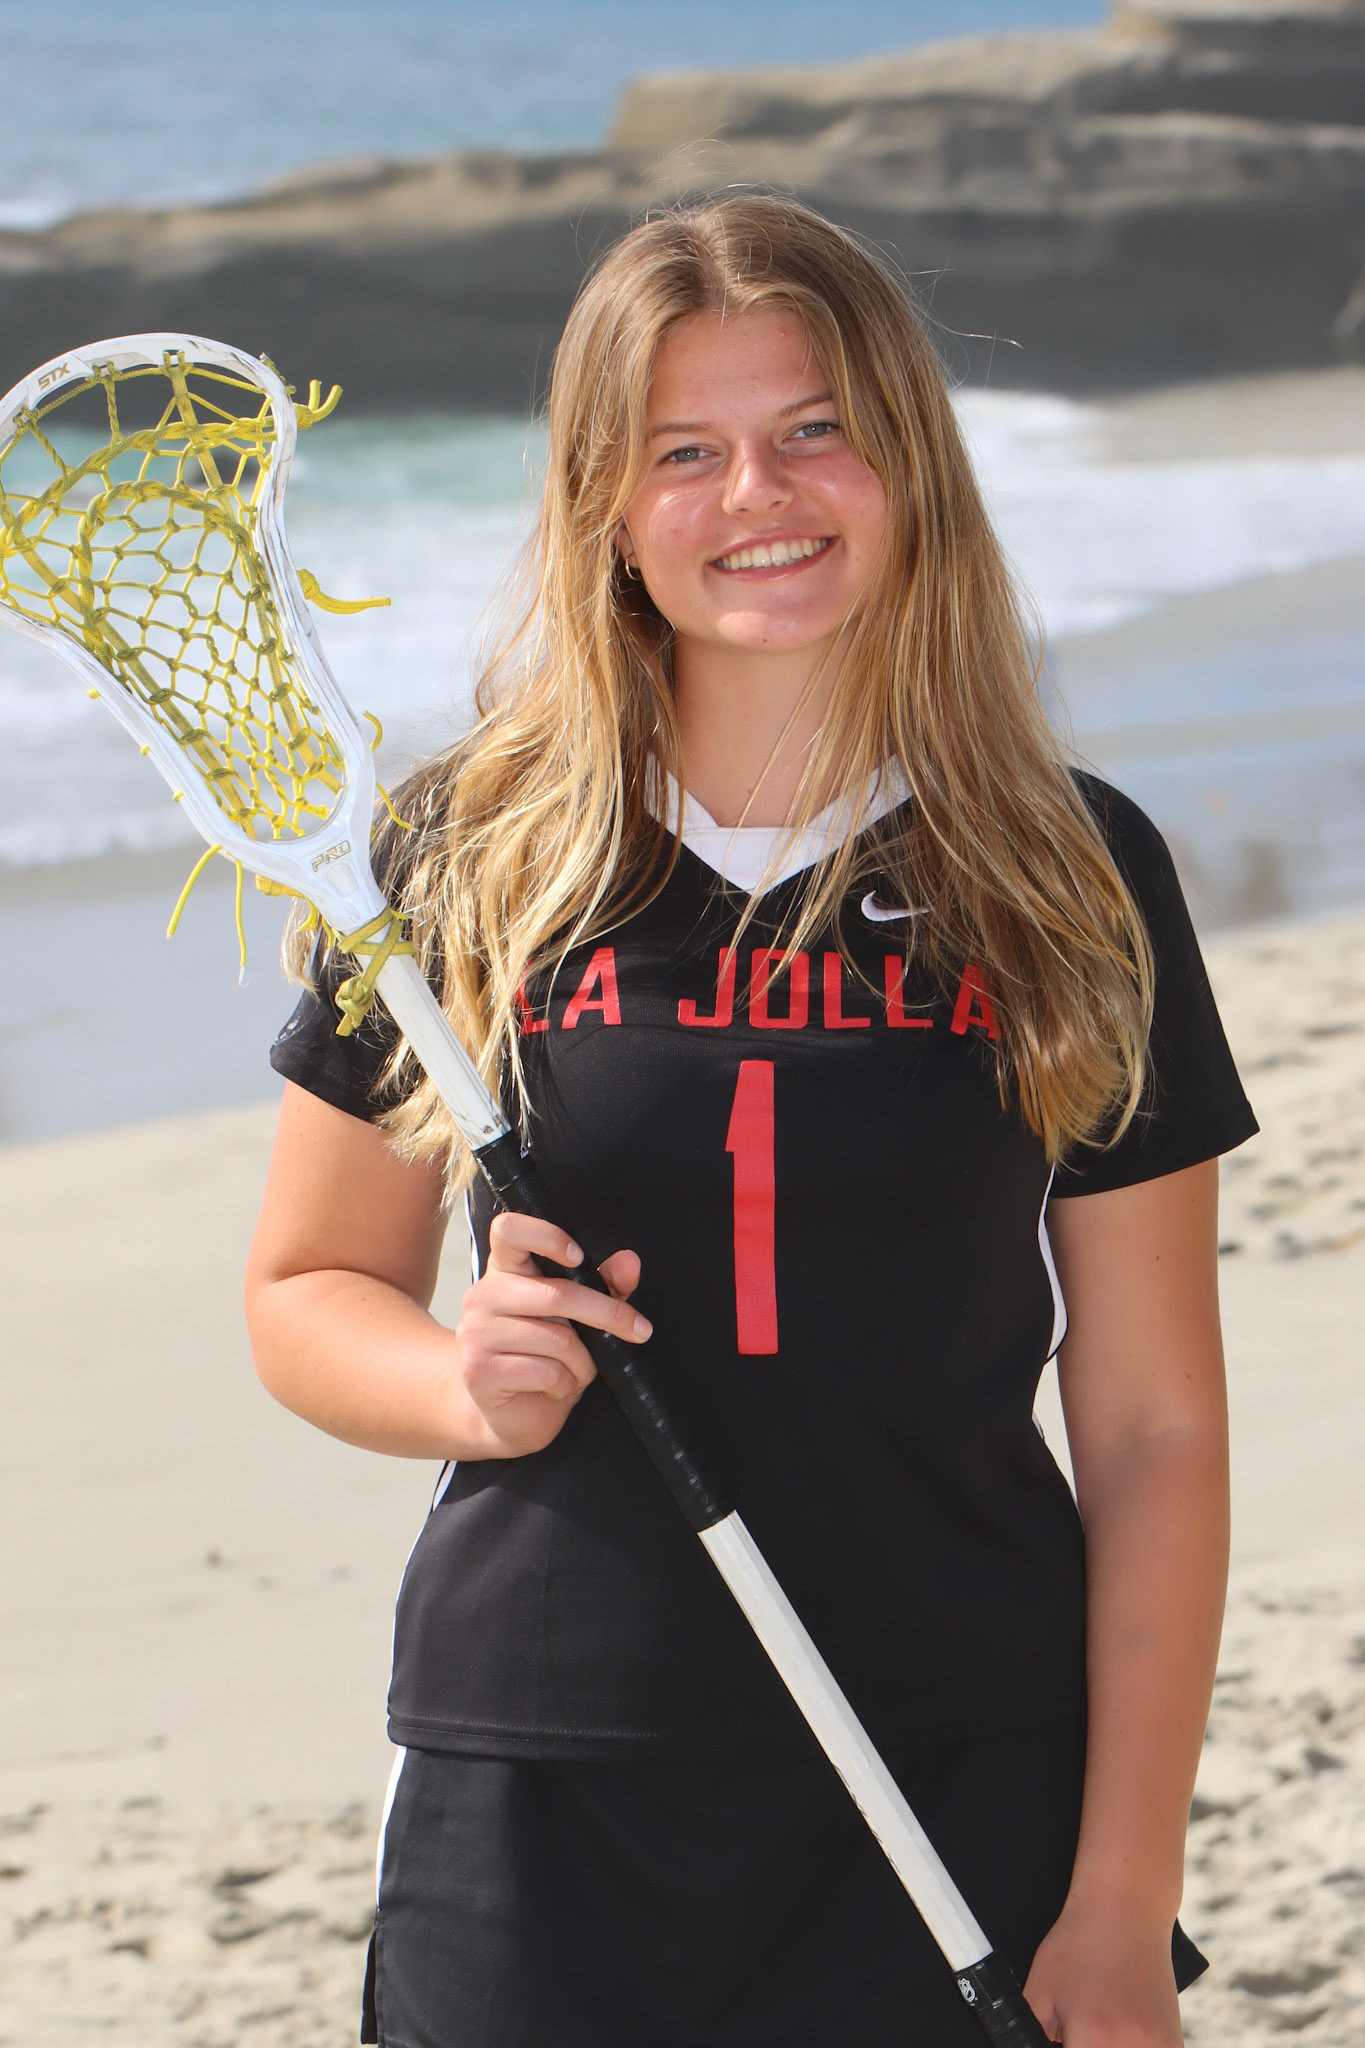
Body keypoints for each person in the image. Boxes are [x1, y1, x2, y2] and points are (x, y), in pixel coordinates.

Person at [246, 195, 1256, 2047]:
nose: (756, 497)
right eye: (682, 453)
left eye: (812, 430)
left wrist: (1122, 1896)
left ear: (908, 460)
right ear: (602, 507)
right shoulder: (465, 855)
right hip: (542, 1779)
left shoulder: (1067, 867)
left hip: (960, 1762)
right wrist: (458, 1384)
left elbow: (1153, 1425)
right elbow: (308, 1289)